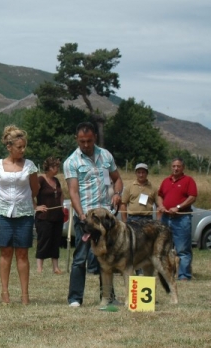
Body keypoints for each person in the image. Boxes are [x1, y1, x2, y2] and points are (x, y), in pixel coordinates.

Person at [64, 121, 123, 308]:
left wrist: (117, 194)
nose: (86, 145)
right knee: (80, 258)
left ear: (95, 138)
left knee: (107, 258)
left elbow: (117, 179)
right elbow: (73, 191)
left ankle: (108, 297)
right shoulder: (71, 161)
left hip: (106, 218)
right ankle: (75, 298)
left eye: (89, 141)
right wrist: (82, 215)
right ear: (77, 139)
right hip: (86, 218)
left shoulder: (106, 155)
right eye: (82, 141)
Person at [0, 125, 39, 305]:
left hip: (24, 213)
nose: (23, 150)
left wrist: (24, 202)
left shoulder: (30, 166)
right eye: (19, 147)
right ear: (9, 147)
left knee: (22, 253)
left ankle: (25, 295)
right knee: (5, 252)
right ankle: (5, 293)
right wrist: (5, 203)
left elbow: (35, 188)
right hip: (2, 214)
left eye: (24, 146)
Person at [156, 157, 198, 281]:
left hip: (182, 218)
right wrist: (161, 206)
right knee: (164, 247)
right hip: (166, 218)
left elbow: (193, 196)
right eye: (174, 166)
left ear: (183, 167)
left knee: (183, 249)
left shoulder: (188, 180)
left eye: (178, 166)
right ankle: (166, 273)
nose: (176, 168)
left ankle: (184, 275)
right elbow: (160, 195)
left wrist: (178, 207)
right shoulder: (166, 181)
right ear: (171, 167)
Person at [34, 157, 65, 275]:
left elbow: (61, 194)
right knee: (43, 241)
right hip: (44, 217)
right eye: (54, 167)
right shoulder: (41, 179)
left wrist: (62, 206)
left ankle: (55, 267)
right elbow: (31, 193)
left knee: (56, 241)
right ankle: (39, 268)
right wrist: (36, 206)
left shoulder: (56, 181)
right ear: (48, 168)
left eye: (58, 166)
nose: (57, 169)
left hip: (57, 216)